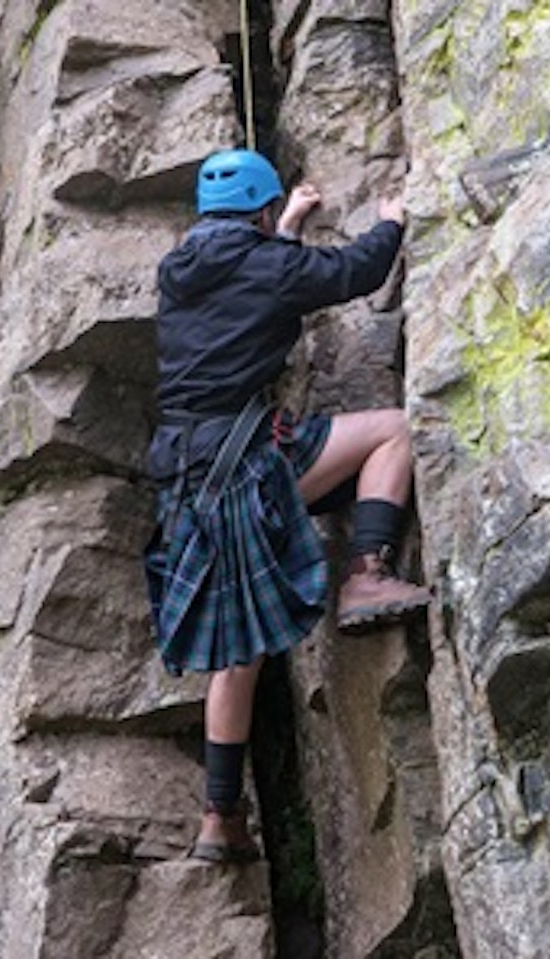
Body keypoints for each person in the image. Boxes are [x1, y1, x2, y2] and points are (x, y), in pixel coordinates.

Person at [143, 148, 433, 862]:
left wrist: (287, 228)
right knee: (393, 429)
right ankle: (367, 570)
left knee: (237, 659)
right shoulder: (271, 265)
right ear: (263, 210)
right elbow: (353, 272)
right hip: (246, 464)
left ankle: (219, 817)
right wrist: (392, 222)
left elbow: (251, 281)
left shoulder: (177, 274)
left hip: (186, 480)